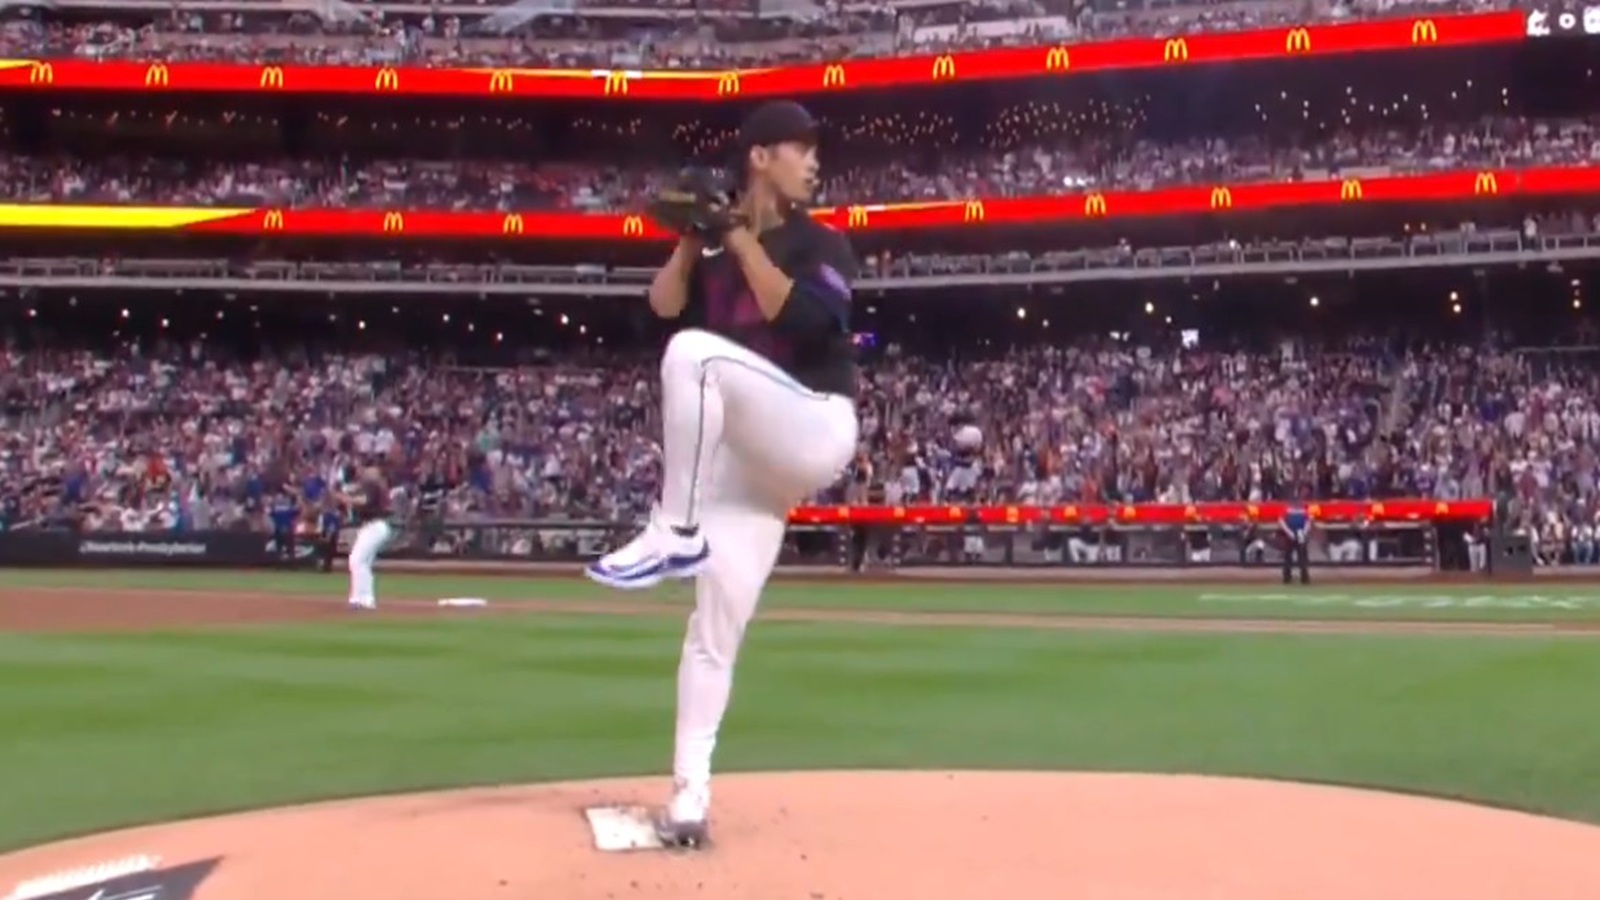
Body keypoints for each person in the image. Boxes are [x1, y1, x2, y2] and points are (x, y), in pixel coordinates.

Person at [585, 99, 860, 848]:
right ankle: (689, 798)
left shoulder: (824, 244)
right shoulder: (713, 253)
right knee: (713, 631)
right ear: (760, 157)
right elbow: (660, 311)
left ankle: (673, 529)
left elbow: (801, 323)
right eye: (800, 149)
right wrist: (689, 240)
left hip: (814, 424)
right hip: (748, 466)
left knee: (695, 356)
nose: (813, 163)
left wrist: (736, 236)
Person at [342, 467, 398, 609]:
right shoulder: (372, 486)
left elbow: (364, 500)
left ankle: (364, 598)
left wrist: (345, 498)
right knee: (361, 562)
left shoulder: (373, 485)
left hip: (375, 526)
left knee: (357, 559)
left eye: (371, 471)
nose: (367, 472)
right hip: (374, 527)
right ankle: (360, 598)